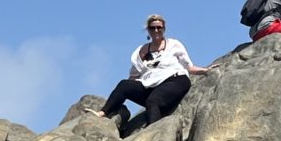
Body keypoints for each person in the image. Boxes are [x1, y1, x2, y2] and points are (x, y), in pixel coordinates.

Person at [88, 14, 216, 126]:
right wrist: (124, 92)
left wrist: (205, 70)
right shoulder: (141, 51)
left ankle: (153, 132)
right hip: (151, 85)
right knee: (124, 85)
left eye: (159, 27)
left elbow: (189, 67)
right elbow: (133, 77)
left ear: (164, 29)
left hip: (175, 80)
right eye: (152, 28)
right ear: (147, 30)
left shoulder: (174, 45)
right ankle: (102, 113)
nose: (156, 30)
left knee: (153, 101)